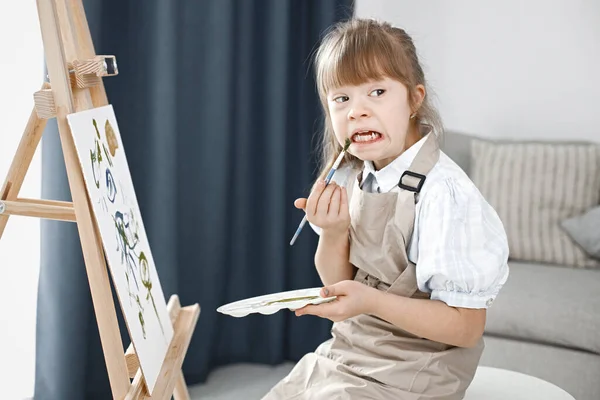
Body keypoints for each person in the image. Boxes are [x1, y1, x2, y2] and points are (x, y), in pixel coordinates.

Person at [263, 18, 509, 400]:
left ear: (414, 98)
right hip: (352, 353)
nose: (356, 111)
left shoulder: (444, 194)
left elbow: (466, 327)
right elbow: (339, 280)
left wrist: (370, 301)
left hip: (417, 372)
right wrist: (332, 232)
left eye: (376, 91)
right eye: (341, 99)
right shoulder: (354, 175)